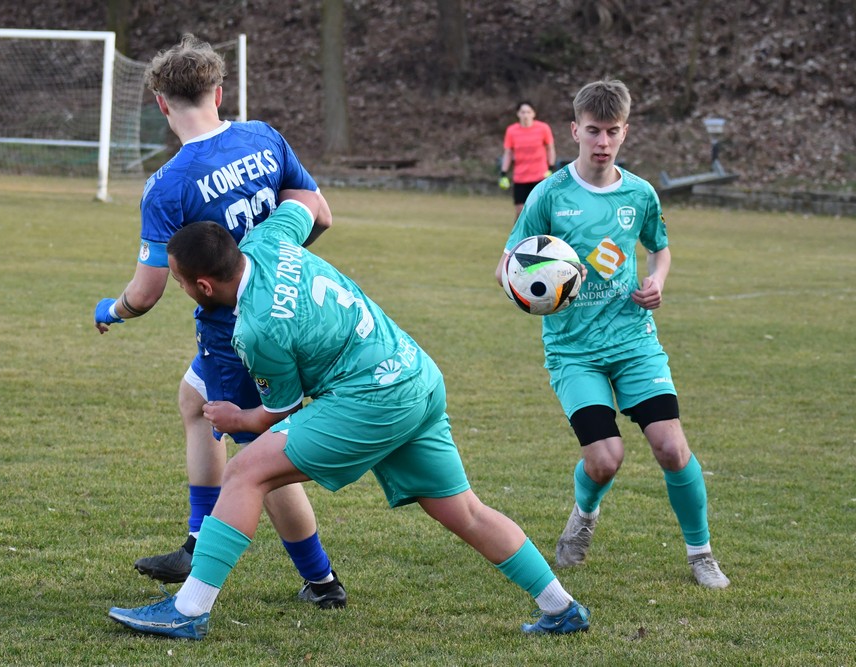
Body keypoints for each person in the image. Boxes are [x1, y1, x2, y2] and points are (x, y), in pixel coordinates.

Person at [107, 189, 592, 640]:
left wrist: (238, 418)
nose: (180, 288)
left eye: (179, 282)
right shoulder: (267, 238)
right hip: (416, 374)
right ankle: (560, 607)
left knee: (244, 474)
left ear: (204, 286)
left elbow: (281, 412)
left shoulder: (256, 329)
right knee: (466, 511)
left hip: (372, 399)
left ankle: (188, 610)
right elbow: (306, 201)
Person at [93, 34, 347, 609]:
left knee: (260, 458)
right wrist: (277, 262)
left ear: (161, 103)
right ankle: (196, 538)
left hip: (239, 334)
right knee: (194, 401)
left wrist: (111, 310)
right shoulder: (263, 137)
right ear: (218, 92)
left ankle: (322, 581)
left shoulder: (169, 185)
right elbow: (321, 215)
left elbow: (147, 293)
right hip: (294, 306)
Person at [495, 79, 730, 590]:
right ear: (574, 130)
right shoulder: (549, 194)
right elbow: (506, 266)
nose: (602, 142)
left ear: (625, 132)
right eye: (593, 131)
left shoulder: (639, 194)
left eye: (612, 131)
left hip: (633, 341)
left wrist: (657, 281)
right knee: (604, 460)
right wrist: (537, 291)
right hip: (574, 350)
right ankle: (584, 516)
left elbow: (659, 248)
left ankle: (701, 554)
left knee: (671, 448)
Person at [499, 101, 556, 219]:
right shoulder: (511, 131)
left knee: (539, 210)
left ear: (533, 114)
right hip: (520, 177)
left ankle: (541, 231)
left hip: (540, 176)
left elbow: (550, 148)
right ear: (518, 114)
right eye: (523, 112)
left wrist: (551, 167)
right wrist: (503, 173)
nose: (526, 115)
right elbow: (508, 153)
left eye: (528, 112)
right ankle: (518, 232)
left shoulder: (543, 128)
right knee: (520, 211)